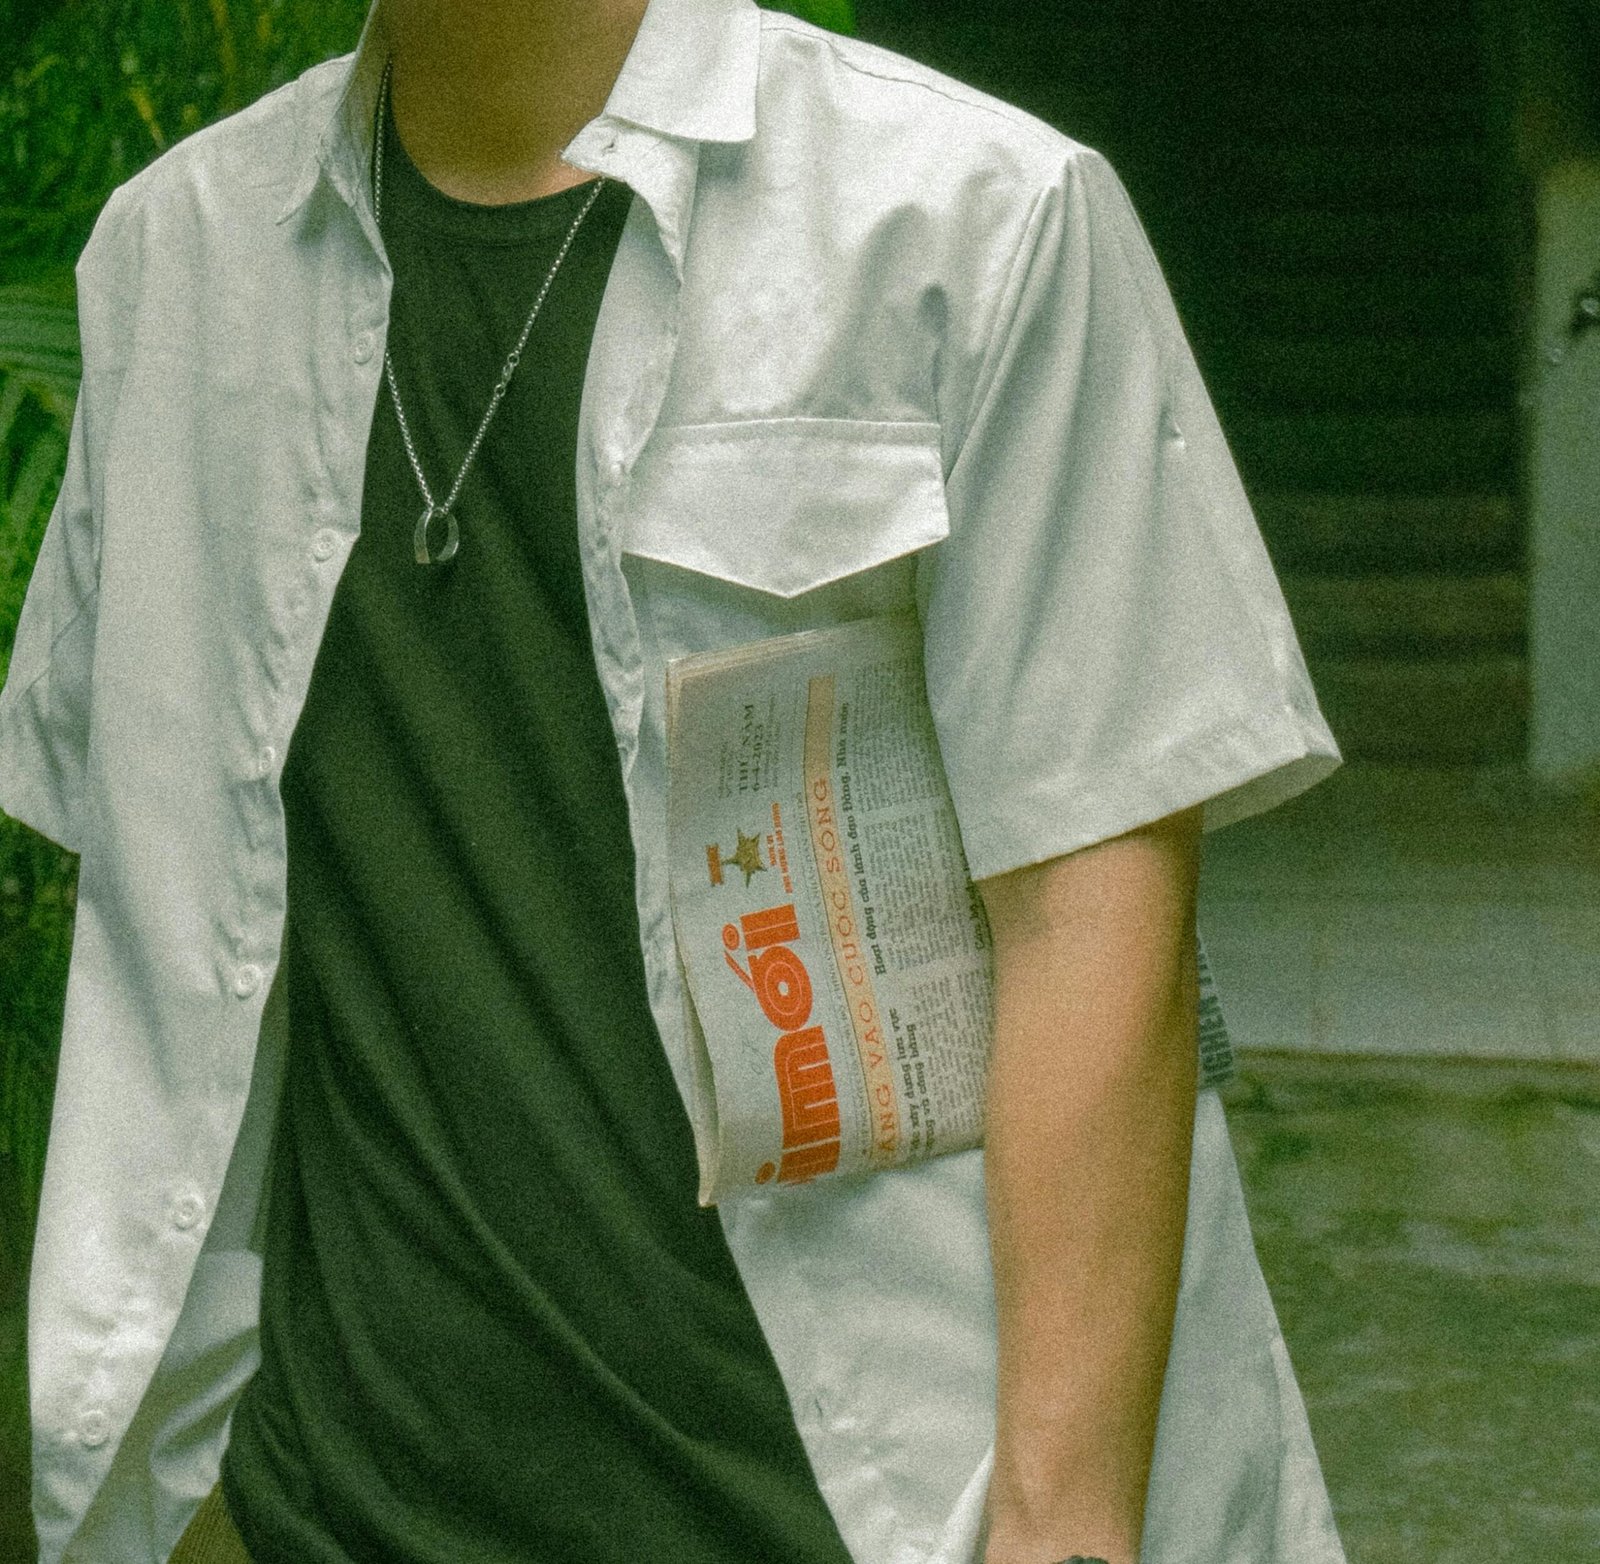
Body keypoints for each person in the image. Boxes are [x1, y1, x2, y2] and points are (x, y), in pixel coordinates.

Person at [0, 1, 1348, 1561]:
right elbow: (183, 928)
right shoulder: (175, 265)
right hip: (347, 1499)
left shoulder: (964, 217)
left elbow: (1092, 903)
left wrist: (1066, 1523)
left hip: (858, 1503)